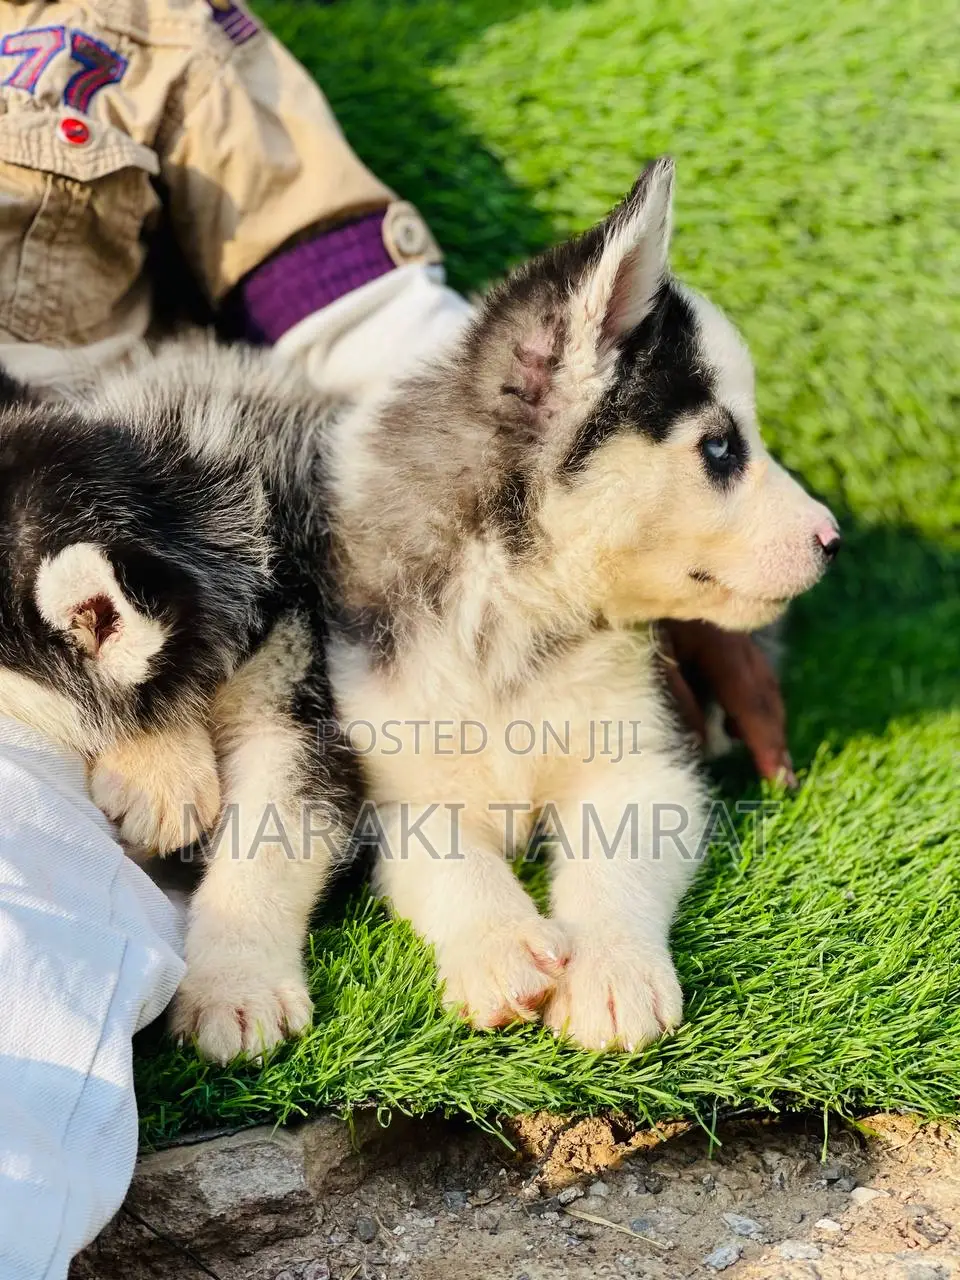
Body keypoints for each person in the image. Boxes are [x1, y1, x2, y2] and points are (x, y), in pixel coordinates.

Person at [0, 2, 792, 1274]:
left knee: (16, 932)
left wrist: (560, 516)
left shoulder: (137, 29)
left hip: (101, 608)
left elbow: (382, 333)